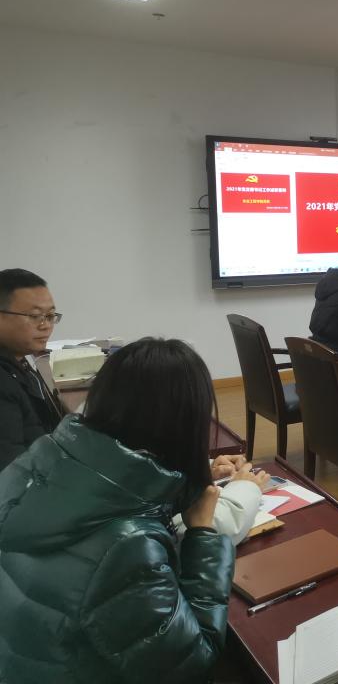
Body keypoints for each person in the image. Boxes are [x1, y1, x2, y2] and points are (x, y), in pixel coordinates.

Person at [0, 338, 234, 683]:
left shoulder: (38, 463)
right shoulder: (127, 546)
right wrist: (202, 534)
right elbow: (192, 661)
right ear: (185, 425)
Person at [0, 269, 65, 471]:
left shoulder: (19, 359)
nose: (46, 326)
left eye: (50, 315)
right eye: (35, 316)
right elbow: (11, 473)